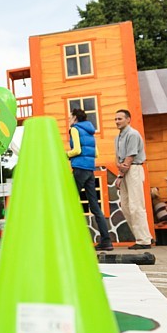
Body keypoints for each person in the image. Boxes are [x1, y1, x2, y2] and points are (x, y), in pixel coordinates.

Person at [68, 108, 113, 251]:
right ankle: (106, 241)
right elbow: (96, 153)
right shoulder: (90, 131)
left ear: (75, 118)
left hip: (79, 168)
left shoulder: (74, 129)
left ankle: (72, 240)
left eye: (70, 117)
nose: (69, 119)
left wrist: (64, 154)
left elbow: (77, 150)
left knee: (67, 201)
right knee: (95, 207)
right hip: (90, 170)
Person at [114, 109, 152, 249]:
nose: (117, 121)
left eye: (120, 119)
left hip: (134, 169)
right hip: (124, 171)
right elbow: (119, 158)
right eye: (116, 119)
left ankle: (144, 240)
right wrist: (119, 175)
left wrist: (123, 169)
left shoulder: (133, 134)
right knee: (125, 206)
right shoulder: (118, 138)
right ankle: (143, 236)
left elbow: (130, 157)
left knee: (136, 205)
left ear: (128, 119)